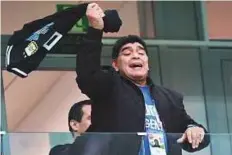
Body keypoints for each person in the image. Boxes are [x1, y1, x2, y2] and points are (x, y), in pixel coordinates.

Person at [75, 3, 210, 155]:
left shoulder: (171, 97)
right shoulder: (109, 87)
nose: (135, 55)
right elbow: (87, 74)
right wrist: (94, 31)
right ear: (115, 65)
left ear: (147, 62)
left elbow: (192, 132)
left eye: (141, 52)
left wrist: (195, 130)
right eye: (127, 53)